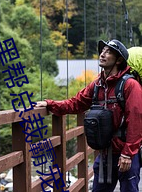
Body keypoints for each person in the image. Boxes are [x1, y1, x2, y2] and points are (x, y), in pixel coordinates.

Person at [35, 39, 142, 192]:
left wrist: (128, 154)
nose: (102, 54)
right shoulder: (97, 85)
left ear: (119, 60)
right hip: (105, 153)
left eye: (108, 52)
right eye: (102, 51)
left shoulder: (131, 86)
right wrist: (50, 104)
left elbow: (136, 122)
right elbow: (76, 103)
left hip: (125, 154)